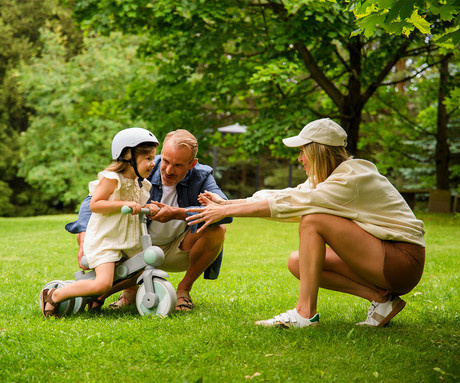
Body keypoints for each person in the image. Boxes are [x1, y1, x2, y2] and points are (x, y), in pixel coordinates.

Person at [186, 118, 425, 328]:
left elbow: (292, 202)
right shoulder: (330, 179)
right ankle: (382, 300)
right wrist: (226, 205)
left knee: (313, 220)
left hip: (401, 262)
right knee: (298, 262)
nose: (300, 158)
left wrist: (227, 210)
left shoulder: (351, 179)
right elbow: (286, 195)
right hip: (384, 259)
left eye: (303, 151)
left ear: (318, 151)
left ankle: (305, 314)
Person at [65, 129, 231, 311]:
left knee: (217, 229)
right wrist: (83, 237)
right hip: (135, 247)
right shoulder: (142, 167)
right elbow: (92, 200)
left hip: (178, 248)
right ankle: (127, 291)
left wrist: (176, 213)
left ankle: (183, 290)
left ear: (192, 164)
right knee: (103, 282)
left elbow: (225, 211)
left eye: (178, 165)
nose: (168, 170)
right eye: (166, 161)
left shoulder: (202, 177)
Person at [40, 127, 160, 317]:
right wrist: (125, 203)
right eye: (148, 158)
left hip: (127, 239)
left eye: (153, 158)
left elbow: (137, 207)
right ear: (128, 156)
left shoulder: (141, 183)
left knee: (140, 270)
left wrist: (151, 208)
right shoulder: (112, 179)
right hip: (106, 239)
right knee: (102, 282)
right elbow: (95, 204)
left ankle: (98, 297)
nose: (153, 164)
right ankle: (54, 295)